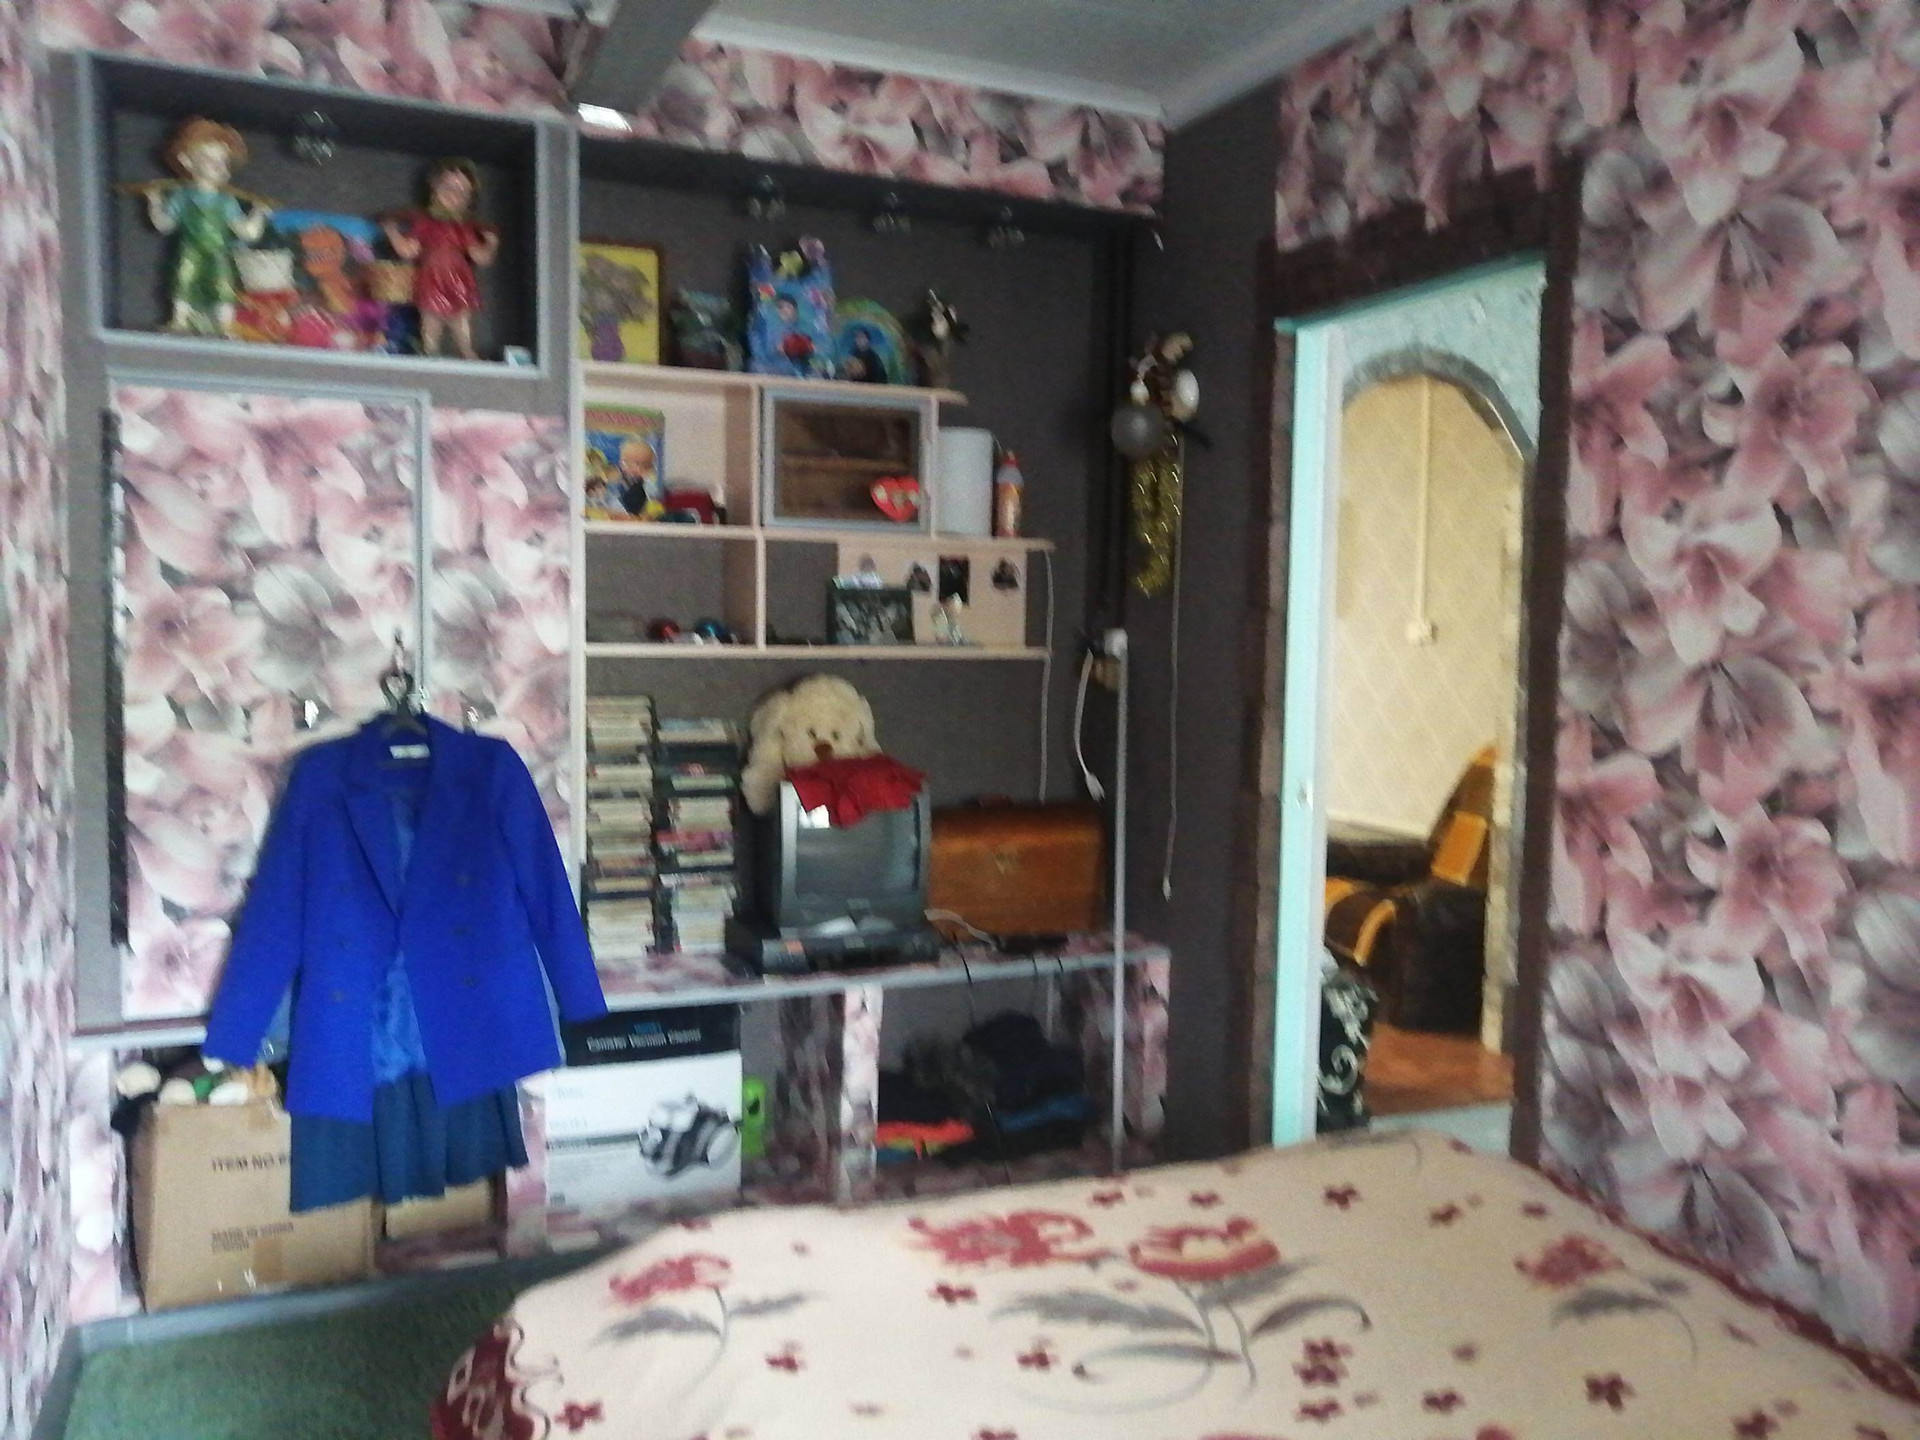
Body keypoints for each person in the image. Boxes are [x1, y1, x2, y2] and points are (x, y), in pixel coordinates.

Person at [144, 118, 272, 337]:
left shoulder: (226, 201)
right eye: (208, 159)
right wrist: (154, 202)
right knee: (183, 282)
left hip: (219, 253)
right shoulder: (182, 197)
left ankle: (225, 324)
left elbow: (247, 232)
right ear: (186, 160)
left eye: (223, 161)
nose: (217, 166)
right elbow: (164, 224)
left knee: (223, 287)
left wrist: (258, 213)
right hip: (189, 252)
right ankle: (180, 319)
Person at [382, 158, 500, 360]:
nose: (455, 195)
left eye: (463, 191)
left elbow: (480, 258)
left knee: (461, 316)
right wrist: (392, 231)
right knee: (430, 317)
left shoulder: (464, 228)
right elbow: (408, 250)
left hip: (458, 278)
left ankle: (466, 350)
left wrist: (491, 242)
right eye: (448, 187)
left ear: (469, 197)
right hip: (431, 277)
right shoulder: (424, 223)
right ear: (435, 187)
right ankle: (429, 350)